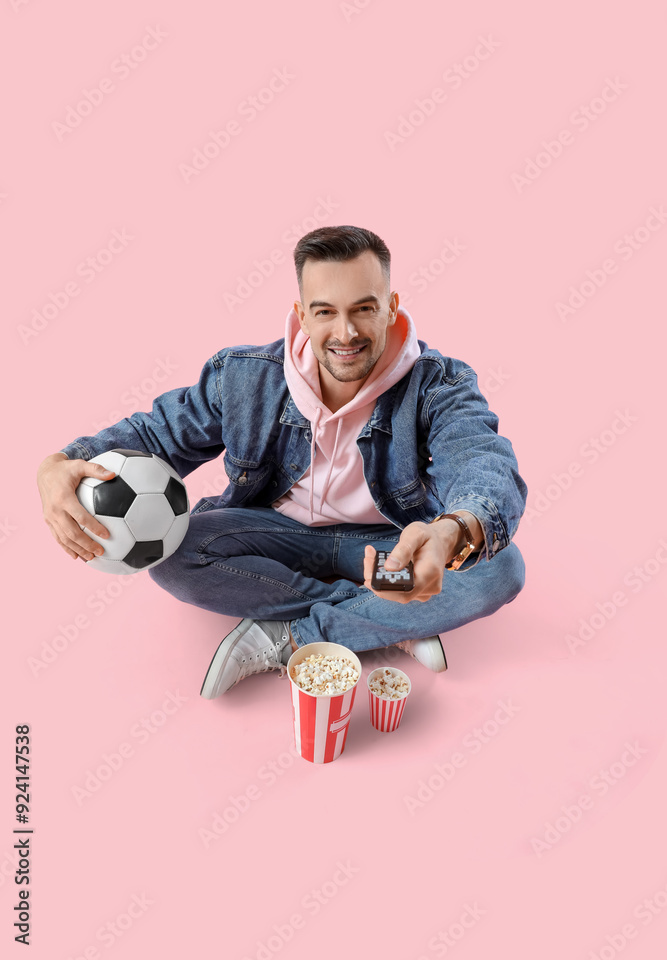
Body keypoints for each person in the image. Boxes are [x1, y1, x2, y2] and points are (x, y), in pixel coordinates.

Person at [37, 225, 527, 699]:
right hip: (277, 536)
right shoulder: (244, 377)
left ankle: (296, 636)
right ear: (301, 315)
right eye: (325, 311)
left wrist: (451, 532)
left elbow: (480, 458)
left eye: (364, 308)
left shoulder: (439, 384)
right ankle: (384, 619)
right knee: (176, 554)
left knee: (500, 569)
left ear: (391, 307)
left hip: (387, 547)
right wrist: (57, 465)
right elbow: (154, 435)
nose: (346, 332)